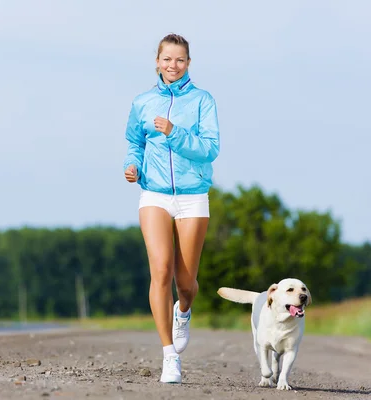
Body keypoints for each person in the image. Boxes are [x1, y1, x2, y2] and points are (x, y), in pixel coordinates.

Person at [122, 33, 220, 384]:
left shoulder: (202, 101)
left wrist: (175, 133)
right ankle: (169, 358)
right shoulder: (143, 102)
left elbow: (210, 149)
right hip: (155, 195)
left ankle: (184, 310)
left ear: (188, 63)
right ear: (157, 61)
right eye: (167, 59)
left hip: (193, 196)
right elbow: (134, 142)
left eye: (179, 60)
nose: (172, 66)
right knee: (161, 271)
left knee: (185, 281)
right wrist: (133, 166)